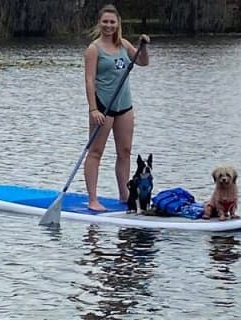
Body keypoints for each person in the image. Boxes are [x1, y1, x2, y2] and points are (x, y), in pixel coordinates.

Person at [84, 4, 150, 211]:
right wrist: (93, 109)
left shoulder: (123, 45)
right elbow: (89, 80)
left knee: (125, 151)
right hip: (103, 107)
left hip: (125, 107)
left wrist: (143, 46)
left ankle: (124, 194)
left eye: (112, 22)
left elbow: (143, 62)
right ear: (100, 23)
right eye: (105, 21)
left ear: (118, 24)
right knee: (96, 152)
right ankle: (93, 199)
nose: (109, 25)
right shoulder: (93, 49)